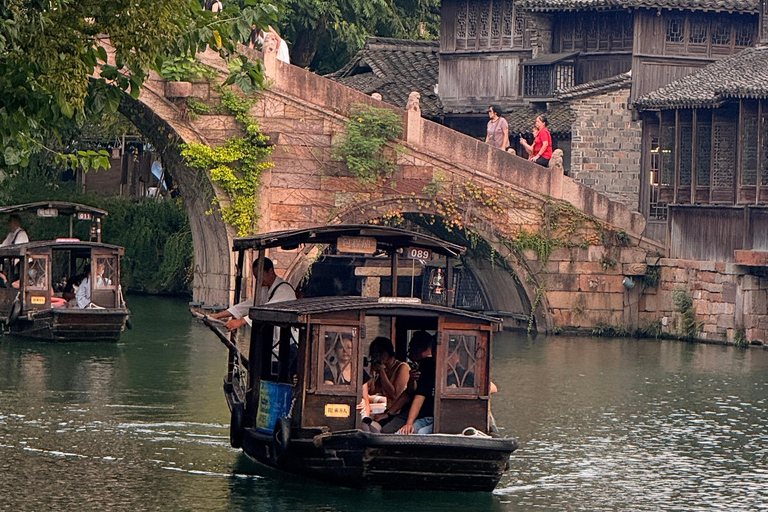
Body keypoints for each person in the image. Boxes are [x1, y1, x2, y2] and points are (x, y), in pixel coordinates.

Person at [373, 330, 436, 435]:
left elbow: (401, 394)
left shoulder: (425, 365)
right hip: (408, 411)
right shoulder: (418, 365)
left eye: (412, 347)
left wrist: (408, 422)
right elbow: (410, 391)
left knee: (388, 431)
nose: (409, 350)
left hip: (421, 413)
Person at [210, 257, 296, 331]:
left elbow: (266, 311)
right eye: (256, 277)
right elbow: (247, 305)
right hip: (271, 339)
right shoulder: (265, 289)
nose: (258, 280)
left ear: (270, 271)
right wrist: (218, 316)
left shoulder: (284, 290)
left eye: (260, 276)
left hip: (286, 340)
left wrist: (240, 321)